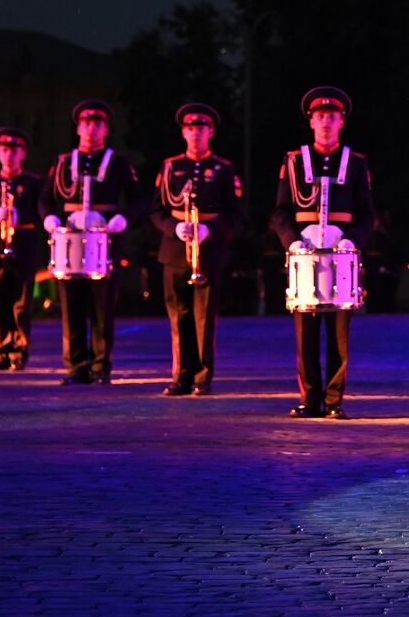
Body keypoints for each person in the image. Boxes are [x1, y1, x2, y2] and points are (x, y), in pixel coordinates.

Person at [269, 87, 375, 419]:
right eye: (319, 116)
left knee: (339, 331)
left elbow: (367, 213)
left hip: (341, 254)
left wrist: (352, 239)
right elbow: (280, 212)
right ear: (311, 121)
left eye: (332, 116)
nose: (326, 122)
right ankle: (309, 398)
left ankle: (334, 400)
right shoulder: (294, 160)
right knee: (306, 331)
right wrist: (292, 241)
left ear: (342, 121)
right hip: (305, 252)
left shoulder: (356, 163)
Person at [38, 100, 144, 385]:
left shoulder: (118, 162)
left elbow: (137, 198)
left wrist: (122, 219)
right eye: (86, 123)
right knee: (71, 306)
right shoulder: (63, 162)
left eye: (97, 124)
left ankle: (100, 365)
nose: (91, 128)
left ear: (106, 129)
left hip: (103, 237)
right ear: (78, 128)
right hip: (70, 238)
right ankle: (76, 366)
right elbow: (46, 198)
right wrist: (49, 219)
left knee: (102, 307)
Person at [150, 104, 244, 396]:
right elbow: (156, 210)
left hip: (209, 249)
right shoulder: (170, 167)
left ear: (211, 132)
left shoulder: (223, 169)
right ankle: (181, 375)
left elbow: (236, 214)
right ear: (183, 132)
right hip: (176, 248)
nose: (195, 134)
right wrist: (172, 227)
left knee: (205, 315)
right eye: (190, 129)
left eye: (201, 129)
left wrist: (211, 230)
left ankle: (203, 377)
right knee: (178, 314)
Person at [0, 127, 44, 370]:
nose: (9, 155)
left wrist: (20, 214)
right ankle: (1, 351)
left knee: (21, 303)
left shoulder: (34, 183)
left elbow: (43, 212)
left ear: (23, 154)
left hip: (24, 246)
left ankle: (19, 351)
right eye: (5, 150)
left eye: (14, 151)